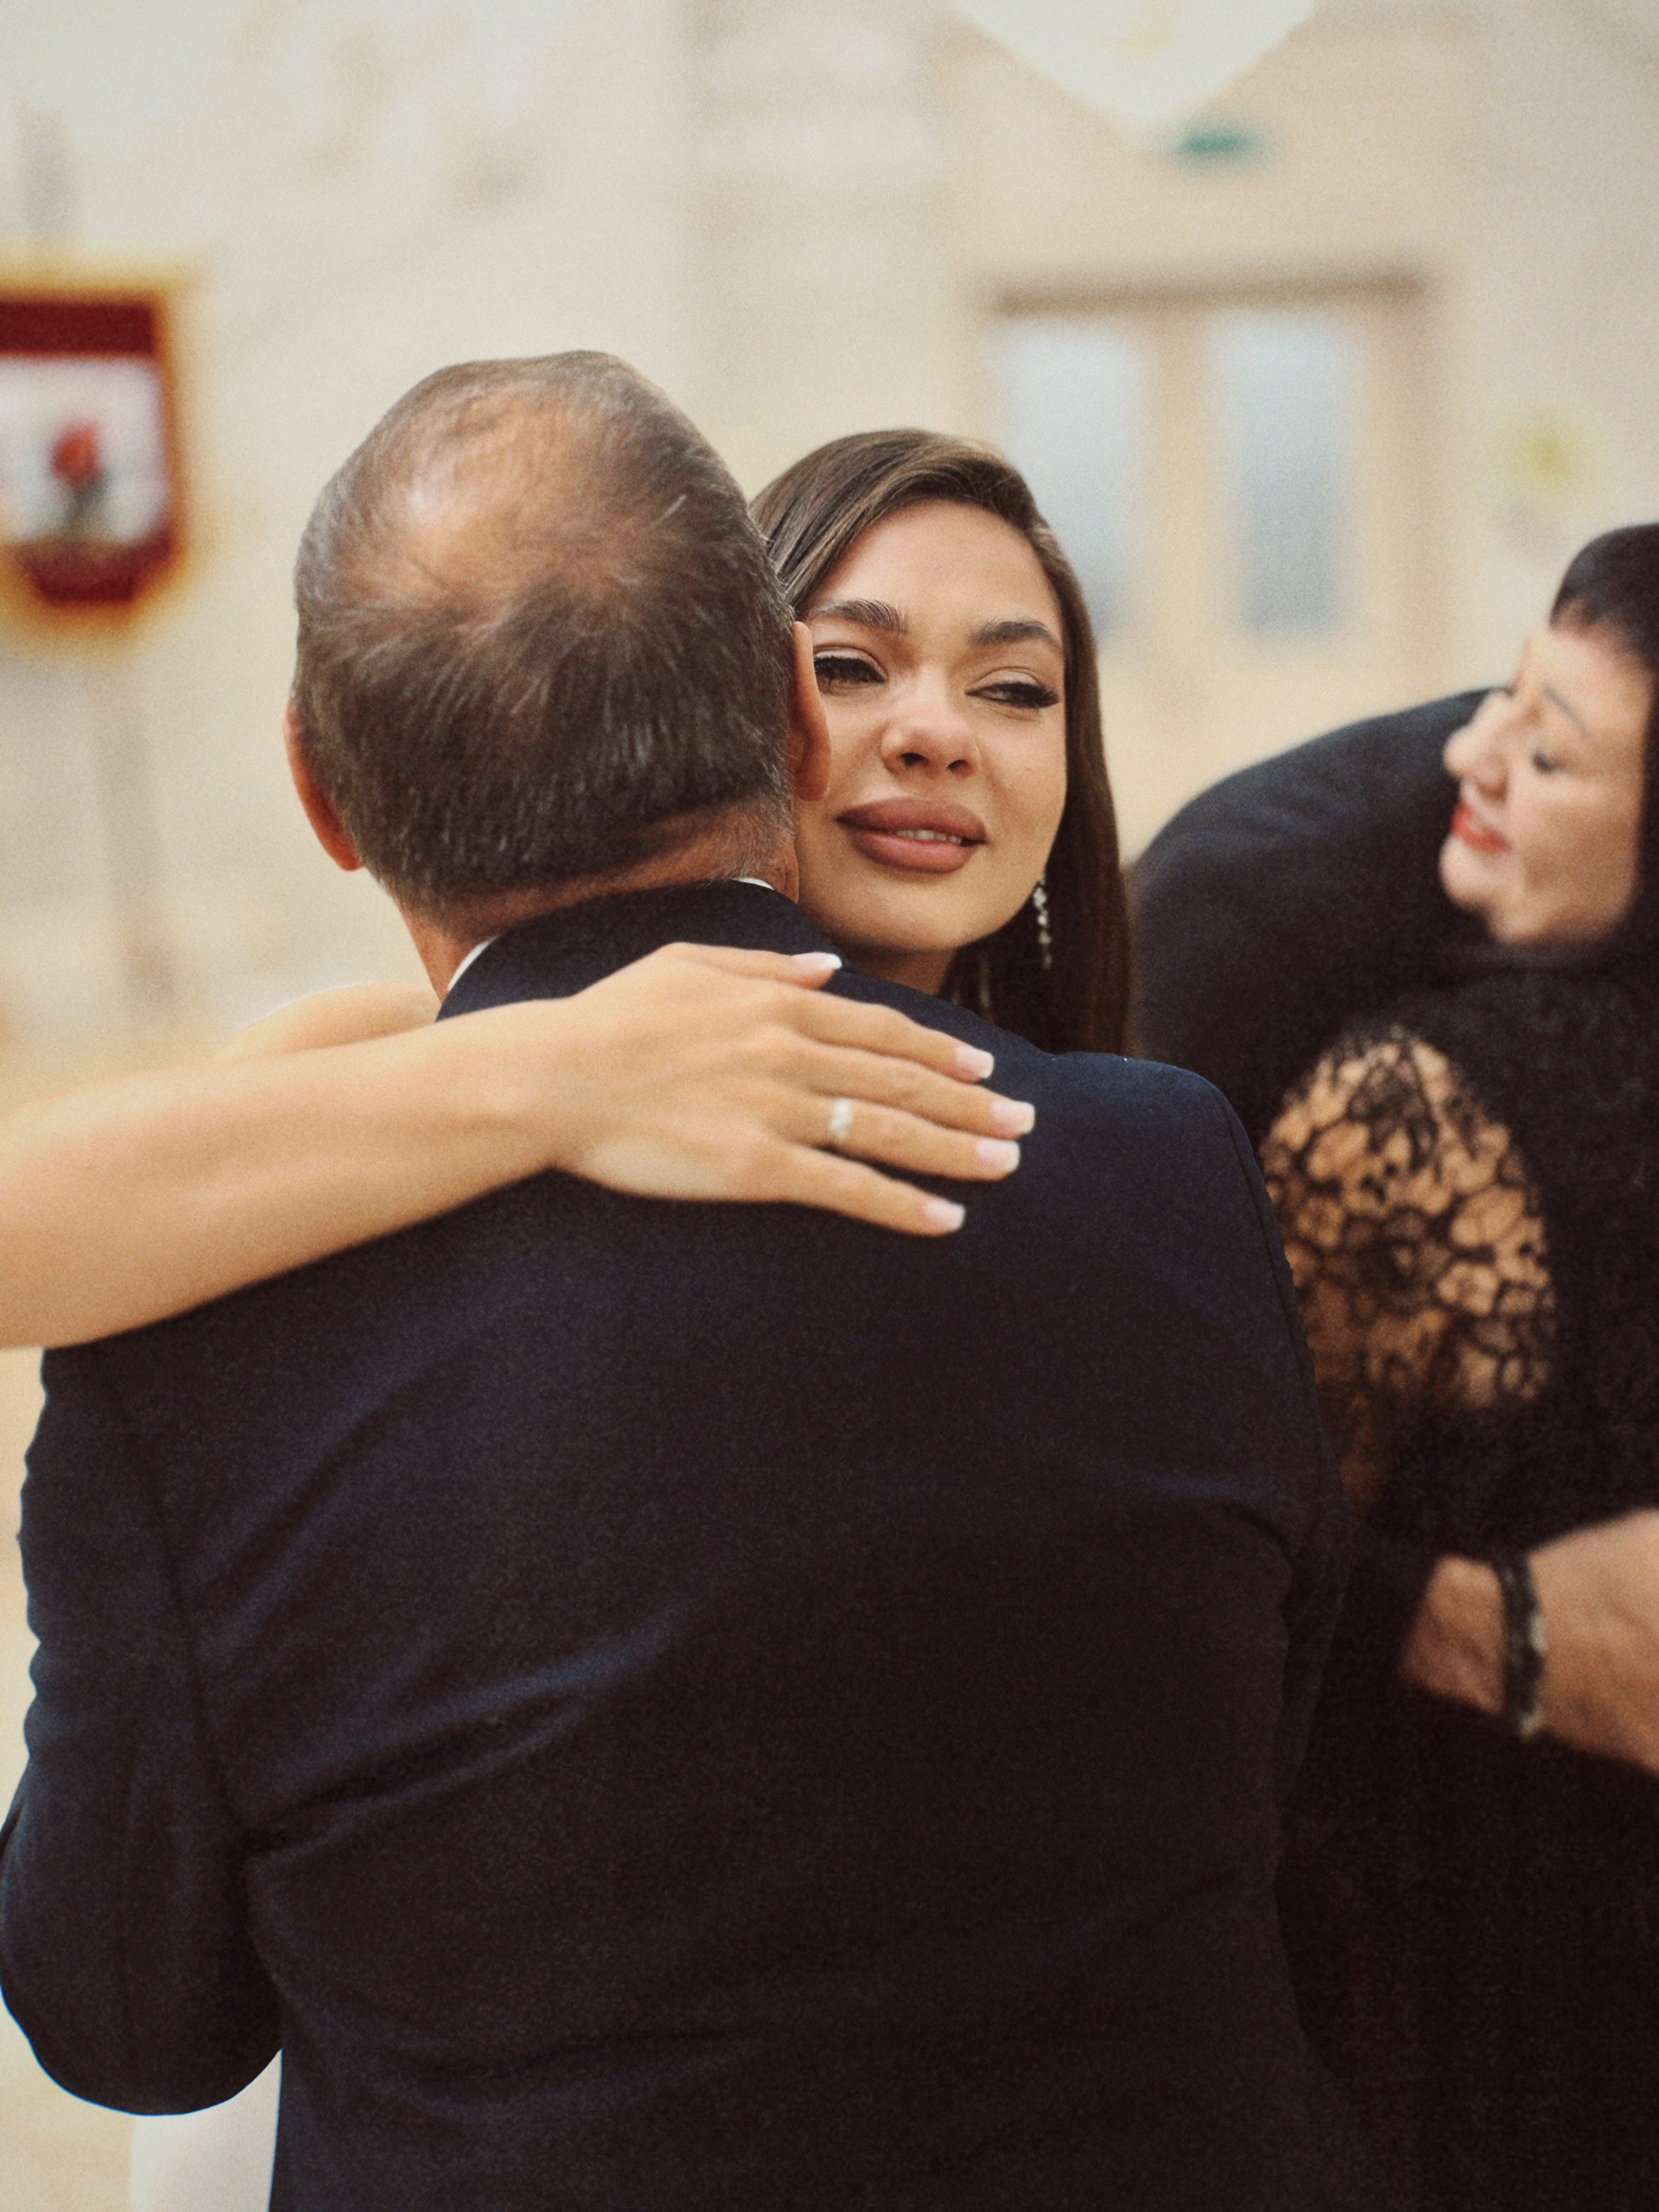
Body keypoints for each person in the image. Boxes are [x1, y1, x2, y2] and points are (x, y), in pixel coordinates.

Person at [0, 353, 1358, 2209]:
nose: (935, 738)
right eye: (864, 666)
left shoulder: (199, 1314)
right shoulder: (1169, 1173)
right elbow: (1252, 1768)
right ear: (797, 722)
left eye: (1014, 681)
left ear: (324, 794)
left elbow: (131, 2023)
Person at [1135, 525, 1659, 2211]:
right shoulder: (1417, 1090)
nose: (1470, 753)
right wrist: (1500, 1631)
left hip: (1488, 1985)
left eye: (1551, 747)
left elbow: (1216, 1564)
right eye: (1501, 695)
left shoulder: (1415, 1106)